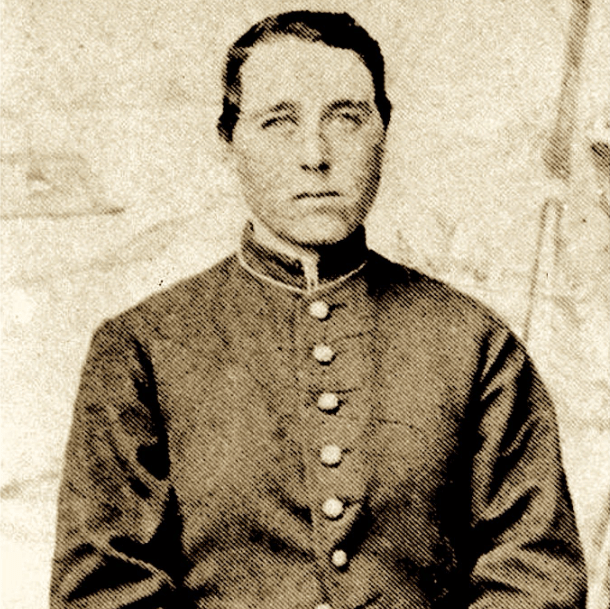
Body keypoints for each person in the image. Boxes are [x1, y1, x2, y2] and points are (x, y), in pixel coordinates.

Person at [50, 10, 587, 609]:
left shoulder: (474, 343)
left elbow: (535, 578)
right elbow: (105, 591)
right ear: (228, 143)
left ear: (383, 132)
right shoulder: (140, 348)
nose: (315, 154)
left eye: (346, 118)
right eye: (279, 123)